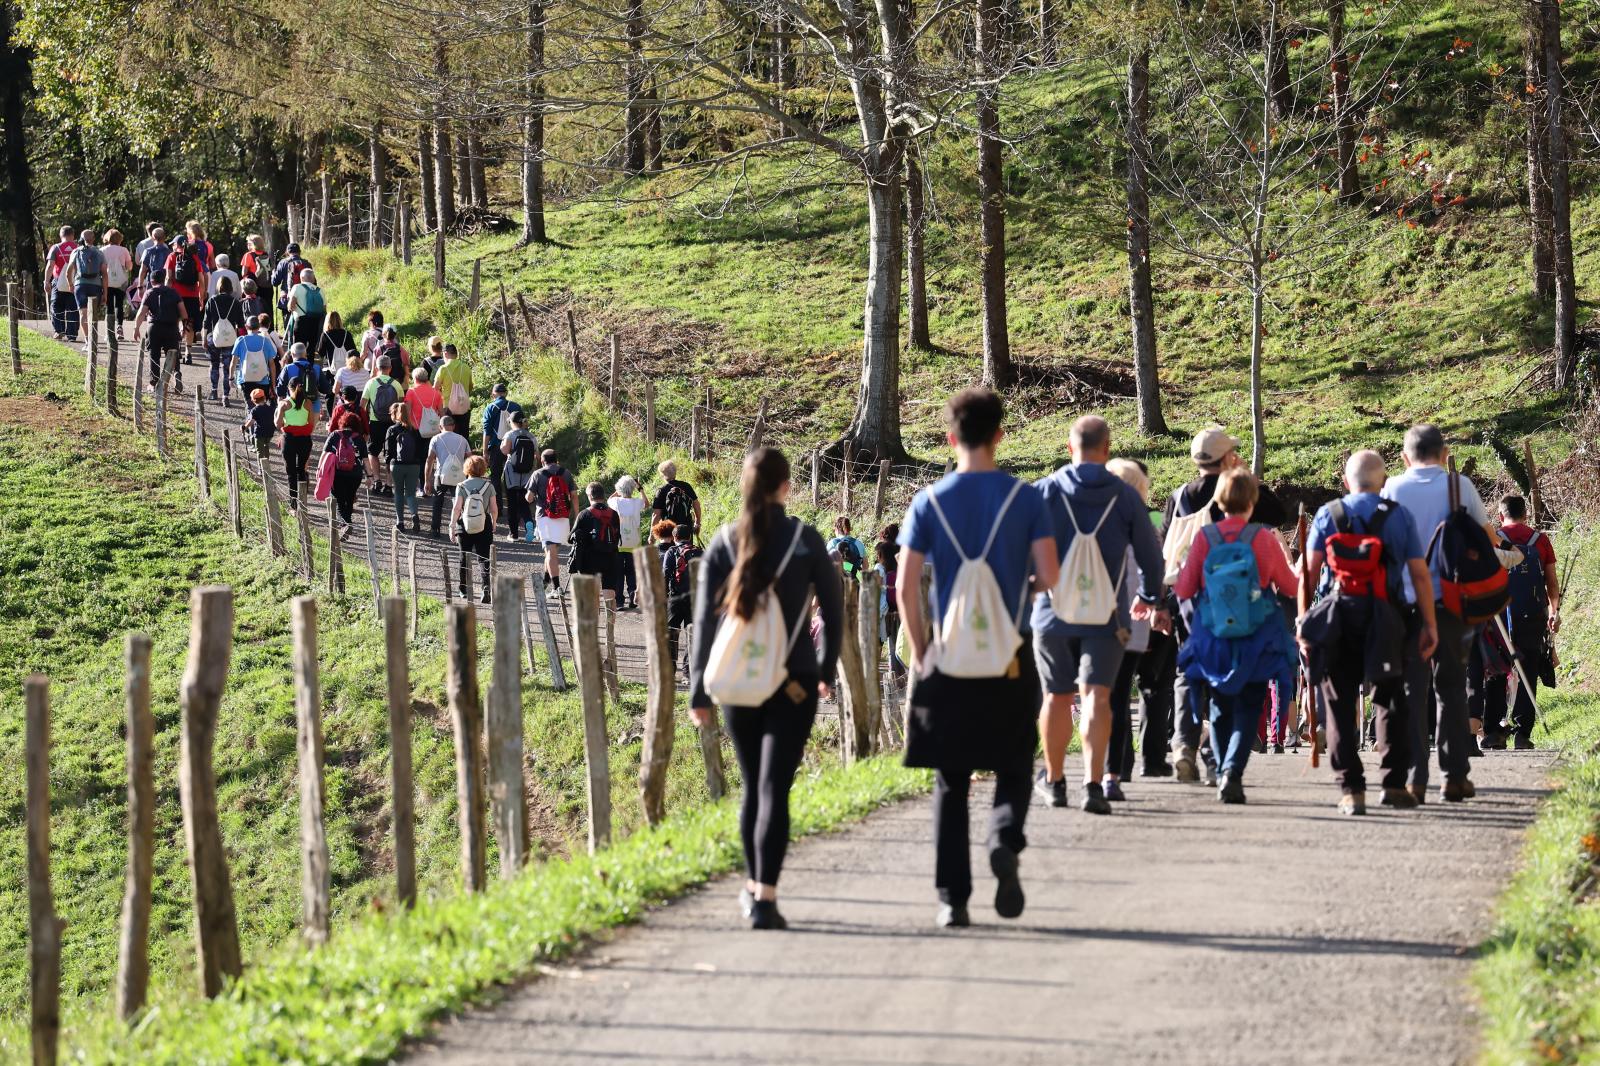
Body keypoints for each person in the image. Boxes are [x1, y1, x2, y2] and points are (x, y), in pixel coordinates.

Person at [897, 389, 1058, 929]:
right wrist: (1019, 587)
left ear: (950, 438)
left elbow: (905, 587)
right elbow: (1050, 575)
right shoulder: (1025, 499)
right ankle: (1004, 838)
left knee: (951, 779)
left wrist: (923, 651)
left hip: (950, 658)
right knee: (1014, 761)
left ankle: (953, 899)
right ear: (999, 436)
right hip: (1009, 654)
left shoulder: (928, 502)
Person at [690, 448, 841, 931]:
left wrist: (698, 691)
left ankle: (754, 890)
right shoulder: (806, 540)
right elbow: (834, 609)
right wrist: (825, 670)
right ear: (786, 486)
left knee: (753, 785)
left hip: (738, 683)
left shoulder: (723, 543)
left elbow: (703, 623)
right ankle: (765, 897)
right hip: (795, 681)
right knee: (776, 786)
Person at [1031, 416, 1167, 814]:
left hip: (1053, 613)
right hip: (1107, 616)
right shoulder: (1125, 498)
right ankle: (1093, 785)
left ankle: (1055, 781)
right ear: (1106, 450)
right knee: (1097, 697)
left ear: (1069, 448)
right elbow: (1152, 560)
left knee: (1056, 697)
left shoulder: (1045, 491)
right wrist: (1148, 597)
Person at [1297, 451, 1438, 814]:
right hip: (1387, 618)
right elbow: (1420, 575)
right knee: (1390, 699)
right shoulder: (1398, 515)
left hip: (1337, 618)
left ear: (1346, 482)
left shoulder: (1329, 514)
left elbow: (1307, 574)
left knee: (1338, 703)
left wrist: (1303, 623)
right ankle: (1393, 784)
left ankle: (1351, 790)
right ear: (1383, 481)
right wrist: (1429, 624)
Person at [1381, 424, 1515, 803]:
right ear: (1444, 454)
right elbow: (1488, 538)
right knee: (1452, 688)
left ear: (1405, 457)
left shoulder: (1392, 488)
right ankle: (1453, 777)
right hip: (1454, 603)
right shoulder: (1461, 487)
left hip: (1406, 605)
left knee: (1412, 690)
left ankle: (1415, 779)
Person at [1159, 427, 1289, 785]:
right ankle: (1216, 757)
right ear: (1227, 457)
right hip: (1234, 603)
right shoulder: (1237, 492)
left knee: (1187, 672)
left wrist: (1161, 603)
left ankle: (1184, 742)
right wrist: (1248, 477)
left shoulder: (1179, 496)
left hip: (1190, 600)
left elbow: (1165, 551)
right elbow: (1279, 514)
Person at [1101, 458, 1161, 797]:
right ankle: (1119, 766)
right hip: (1136, 619)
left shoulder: (1104, 522)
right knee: (1120, 694)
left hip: (1101, 617)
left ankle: (1112, 764)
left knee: (1104, 695)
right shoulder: (1146, 525)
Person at [1485, 494, 1560, 750]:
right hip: (1532, 616)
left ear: (1500, 515)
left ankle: (1494, 732)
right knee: (1528, 670)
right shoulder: (1540, 540)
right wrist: (1554, 611)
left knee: (1496, 671)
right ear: (1526, 514)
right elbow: (1551, 581)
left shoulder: (1493, 538)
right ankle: (1522, 734)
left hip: (1498, 617)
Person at [130, 268, 188, 392]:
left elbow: (142, 312)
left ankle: (154, 382)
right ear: (163, 280)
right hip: (171, 327)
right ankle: (176, 373)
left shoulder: (149, 293)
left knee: (154, 354)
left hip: (154, 327)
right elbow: (183, 312)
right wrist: (183, 327)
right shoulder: (174, 292)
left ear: (151, 281)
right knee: (173, 354)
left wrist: (136, 328)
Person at [451, 456, 499, 603]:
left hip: (464, 525)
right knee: (484, 557)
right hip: (483, 524)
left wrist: (452, 526)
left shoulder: (461, 486)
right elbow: (494, 509)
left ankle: (463, 589)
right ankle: (485, 587)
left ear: (467, 468)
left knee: (464, 557)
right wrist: (494, 523)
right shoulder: (489, 486)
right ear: (483, 469)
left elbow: (457, 508)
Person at [528, 449, 578, 589]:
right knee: (552, 551)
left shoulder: (538, 474)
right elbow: (574, 495)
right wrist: (576, 515)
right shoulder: (566, 473)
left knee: (550, 552)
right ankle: (546, 580)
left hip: (545, 517)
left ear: (542, 461)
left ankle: (557, 588)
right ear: (557, 460)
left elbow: (529, 498)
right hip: (563, 516)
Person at [570, 483, 624, 603]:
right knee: (610, 593)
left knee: (591, 595)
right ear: (603, 496)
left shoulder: (584, 514)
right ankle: (610, 616)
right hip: (611, 557)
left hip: (589, 559)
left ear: (590, 496)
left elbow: (571, 537)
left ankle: (593, 616)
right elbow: (617, 535)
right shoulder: (614, 514)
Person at [361, 355, 405, 494]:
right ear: (390, 368)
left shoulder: (371, 383)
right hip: (392, 424)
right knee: (391, 454)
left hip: (375, 422)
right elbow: (402, 406)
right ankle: (389, 484)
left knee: (372, 452)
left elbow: (362, 405)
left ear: (376, 368)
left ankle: (377, 480)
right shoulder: (397, 384)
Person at [481, 381, 523, 523]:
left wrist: (485, 450)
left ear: (493, 394)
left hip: (496, 447)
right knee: (514, 477)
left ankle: (497, 508)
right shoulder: (515, 406)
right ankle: (516, 509)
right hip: (514, 447)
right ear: (505, 393)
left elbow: (487, 431)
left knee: (495, 477)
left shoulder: (490, 408)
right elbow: (523, 426)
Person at [201, 277, 247, 404]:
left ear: (219, 286)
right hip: (230, 338)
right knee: (227, 367)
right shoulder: (235, 302)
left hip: (214, 337)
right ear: (230, 287)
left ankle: (214, 390)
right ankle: (225, 396)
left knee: (214, 364)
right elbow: (241, 324)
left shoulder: (212, 301)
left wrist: (204, 339)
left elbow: (206, 322)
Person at [164, 233, 208, 363]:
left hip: (176, 295)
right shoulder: (195, 258)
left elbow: (168, 278)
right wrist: (201, 297)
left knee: (176, 321)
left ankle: (177, 348)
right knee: (190, 323)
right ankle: (188, 353)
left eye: (173, 244)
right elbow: (201, 280)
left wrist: (166, 293)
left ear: (177, 245)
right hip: (192, 296)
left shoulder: (172, 257)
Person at [664, 523, 702, 673]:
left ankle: (670, 668)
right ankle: (688, 670)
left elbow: (666, 573)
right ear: (690, 536)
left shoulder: (672, 551)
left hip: (675, 597)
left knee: (671, 631)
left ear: (674, 537)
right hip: (695, 598)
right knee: (692, 633)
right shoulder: (699, 551)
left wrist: (664, 595)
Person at [426, 414, 472, 535]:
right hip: (459, 476)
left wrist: (427, 480)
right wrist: (470, 477)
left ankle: (435, 529)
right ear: (453, 426)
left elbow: (429, 460)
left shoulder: (436, 439)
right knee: (458, 503)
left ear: (440, 426)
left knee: (437, 502)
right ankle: (459, 530)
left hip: (441, 475)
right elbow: (470, 459)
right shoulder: (463, 439)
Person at [384, 403, 426, 533]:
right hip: (414, 465)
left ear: (395, 414)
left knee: (398, 492)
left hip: (397, 465)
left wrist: (387, 464)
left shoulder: (392, 429)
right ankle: (414, 515)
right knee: (411, 493)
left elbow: (388, 450)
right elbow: (420, 451)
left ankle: (400, 522)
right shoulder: (415, 430)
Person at [322, 420, 368, 537]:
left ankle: (345, 524)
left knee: (339, 500)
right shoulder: (359, 438)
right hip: (355, 474)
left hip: (337, 473)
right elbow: (365, 459)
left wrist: (320, 471)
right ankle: (347, 523)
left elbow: (324, 453)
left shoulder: (334, 435)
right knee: (350, 498)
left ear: (342, 423)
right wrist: (370, 476)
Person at [276, 380, 316, 511]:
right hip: (304, 440)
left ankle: (293, 505)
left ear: (289, 388)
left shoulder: (284, 404)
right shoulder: (308, 403)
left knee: (291, 472)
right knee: (301, 470)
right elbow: (311, 423)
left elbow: (278, 424)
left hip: (289, 440)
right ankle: (303, 503)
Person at [499, 410, 539, 542]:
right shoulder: (531, 436)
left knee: (512, 503)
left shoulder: (510, 434)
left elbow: (504, 451)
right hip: (527, 474)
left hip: (512, 474)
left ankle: (514, 534)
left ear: (511, 422)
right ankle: (529, 524)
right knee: (524, 502)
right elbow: (537, 456)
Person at [610, 476, 647, 609]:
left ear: (619, 488)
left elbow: (609, 499)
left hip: (619, 543)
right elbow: (647, 504)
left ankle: (619, 602)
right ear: (632, 489)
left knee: (618, 573)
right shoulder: (637, 502)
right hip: (634, 543)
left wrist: (618, 490)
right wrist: (640, 488)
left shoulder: (616, 501)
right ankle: (633, 598)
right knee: (632, 572)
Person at [66, 228, 107, 343]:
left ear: (81, 239)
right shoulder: (99, 252)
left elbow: (68, 271)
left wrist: (71, 284)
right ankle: (93, 340)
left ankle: (88, 340)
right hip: (96, 286)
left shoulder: (76, 251)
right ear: (93, 239)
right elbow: (105, 274)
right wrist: (105, 293)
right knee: (93, 314)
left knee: (83, 313)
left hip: (80, 286)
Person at [873, 540, 905, 680]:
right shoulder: (895, 570)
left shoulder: (880, 569)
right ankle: (901, 674)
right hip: (898, 610)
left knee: (885, 643)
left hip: (884, 611)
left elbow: (876, 587)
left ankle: (891, 675)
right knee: (897, 642)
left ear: (881, 555)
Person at [233, 315, 279, 407]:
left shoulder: (240, 340)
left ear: (246, 327)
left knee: (250, 406)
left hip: (245, 380)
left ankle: (251, 415)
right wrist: (273, 385)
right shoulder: (266, 341)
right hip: (263, 380)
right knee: (261, 406)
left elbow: (233, 362)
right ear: (258, 327)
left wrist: (231, 378)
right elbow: (272, 365)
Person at [46, 225, 80, 341]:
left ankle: (59, 331)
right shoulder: (78, 248)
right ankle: (72, 334)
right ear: (73, 235)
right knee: (73, 308)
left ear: (61, 235)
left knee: (56, 306)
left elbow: (50, 266)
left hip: (58, 281)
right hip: (75, 281)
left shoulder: (55, 248)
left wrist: (46, 282)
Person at [276, 342, 326, 421]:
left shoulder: (287, 368)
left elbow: (280, 391)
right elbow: (327, 389)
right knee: (310, 428)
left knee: (293, 428)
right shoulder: (316, 368)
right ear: (305, 354)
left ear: (292, 354)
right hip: (313, 406)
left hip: (293, 407)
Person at [652, 460, 702, 536]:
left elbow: (656, 515)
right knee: (686, 544)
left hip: (669, 530)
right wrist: (697, 523)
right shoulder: (686, 486)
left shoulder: (661, 491)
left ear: (662, 475)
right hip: (686, 528)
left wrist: (652, 535)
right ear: (675, 473)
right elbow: (696, 504)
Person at [434, 342, 474, 438]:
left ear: (445, 353)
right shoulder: (466, 367)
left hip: (448, 408)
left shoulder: (443, 369)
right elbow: (470, 386)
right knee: (464, 434)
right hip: (464, 406)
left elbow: (435, 389)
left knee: (449, 435)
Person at [100, 229, 133, 339]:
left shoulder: (102, 250)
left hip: (107, 281)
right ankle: (119, 328)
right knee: (119, 304)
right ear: (120, 239)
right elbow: (129, 267)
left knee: (109, 305)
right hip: (121, 282)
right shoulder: (124, 250)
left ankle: (109, 331)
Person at [285, 267, 326, 349]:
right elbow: (324, 309)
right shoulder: (320, 290)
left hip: (301, 321)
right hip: (316, 321)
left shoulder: (297, 287)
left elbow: (291, 306)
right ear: (313, 279)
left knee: (298, 348)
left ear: (302, 278)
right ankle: (310, 357)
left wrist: (290, 307)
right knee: (311, 348)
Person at [404, 365, 444, 439]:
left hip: (417, 429)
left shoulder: (411, 392)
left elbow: (407, 412)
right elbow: (441, 412)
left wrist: (409, 427)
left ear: (415, 379)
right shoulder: (436, 392)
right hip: (433, 428)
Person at [271, 243, 310, 313]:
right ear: (300, 252)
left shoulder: (283, 263)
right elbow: (313, 283)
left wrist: (274, 273)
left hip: (287, 299)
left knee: (288, 319)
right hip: (304, 299)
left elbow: (275, 282)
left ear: (287, 252)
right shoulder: (306, 263)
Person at [827, 517, 868, 582]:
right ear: (849, 529)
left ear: (837, 529)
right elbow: (865, 566)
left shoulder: (832, 543)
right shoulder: (859, 544)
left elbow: (827, 565)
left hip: (838, 581)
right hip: (854, 580)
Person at [240, 388, 276, 461]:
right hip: (269, 432)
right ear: (264, 397)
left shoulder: (254, 410)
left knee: (259, 451)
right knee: (266, 446)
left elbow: (251, 421)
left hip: (260, 433)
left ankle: (261, 466)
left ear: (253, 400)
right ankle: (266, 462)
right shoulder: (270, 408)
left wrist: (245, 427)